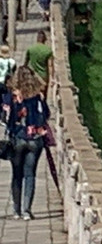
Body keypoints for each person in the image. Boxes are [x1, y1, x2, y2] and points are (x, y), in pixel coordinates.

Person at [6, 66, 48, 220]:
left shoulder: (13, 96)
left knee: (16, 175)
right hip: (35, 139)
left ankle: (16, 210)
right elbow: (46, 115)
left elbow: (6, 115)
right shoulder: (38, 96)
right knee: (30, 174)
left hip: (18, 138)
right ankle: (26, 210)